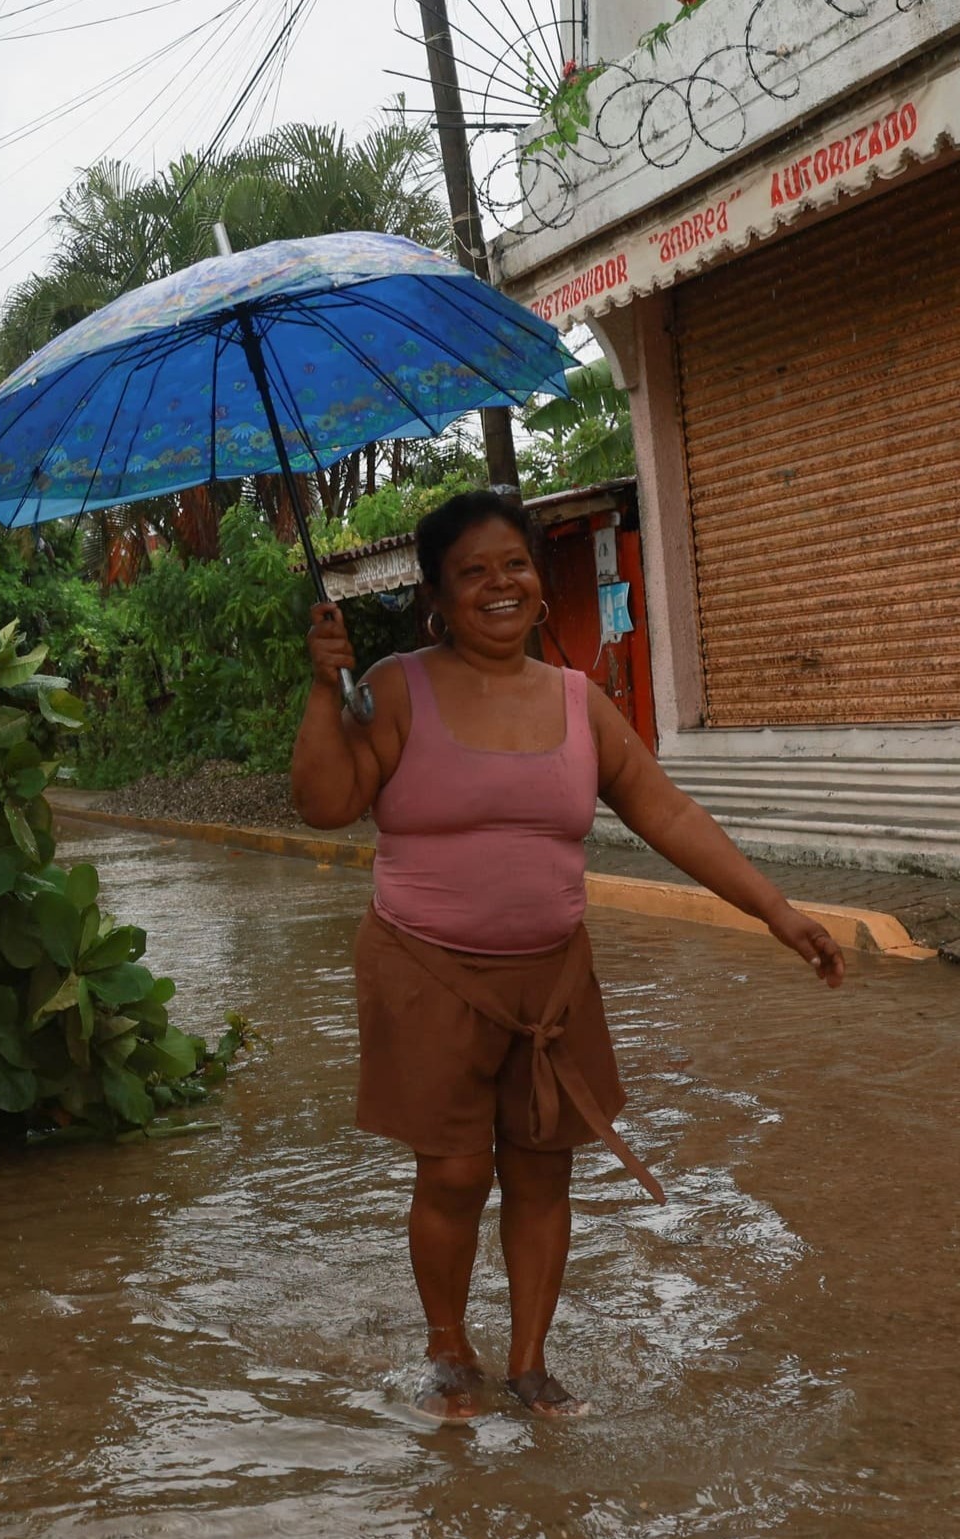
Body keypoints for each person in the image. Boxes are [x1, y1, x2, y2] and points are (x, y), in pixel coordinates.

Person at [289, 489, 842, 1424]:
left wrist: (776, 912)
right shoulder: (393, 687)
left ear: (541, 584)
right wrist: (321, 686)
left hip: (552, 981)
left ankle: (531, 1363)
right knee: (455, 1171)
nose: (498, 585)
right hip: (425, 974)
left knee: (544, 1170)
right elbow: (325, 803)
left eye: (515, 565)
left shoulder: (578, 700)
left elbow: (667, 813)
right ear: (436, 594)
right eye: (473, 571)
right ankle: (448, 1350)